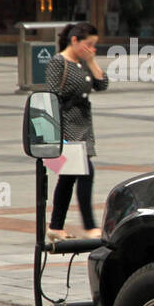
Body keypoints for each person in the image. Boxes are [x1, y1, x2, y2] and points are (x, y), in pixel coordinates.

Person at [45, 22, 108, 241]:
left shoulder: (82, 63)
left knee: (68, 179)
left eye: (94, 46)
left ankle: (55, 226)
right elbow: (52, 96)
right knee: (84, 173)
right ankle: (90, 226)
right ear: (75, 41)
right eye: (89, 45)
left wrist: (92, 61)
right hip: (67, 129)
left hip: (83, 128)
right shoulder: (58, 62)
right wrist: (56, 134)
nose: (92, 49)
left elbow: (102, 84)